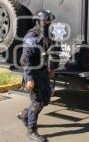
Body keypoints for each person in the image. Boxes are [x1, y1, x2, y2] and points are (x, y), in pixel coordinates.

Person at [17, 10, 60, 142]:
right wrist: (29, 78)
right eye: (46, 20)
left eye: (49, 20)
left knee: (45, 100)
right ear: (39, 21)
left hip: (43, 72)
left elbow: (50, 53)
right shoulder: (32, 36)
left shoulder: (47, 35)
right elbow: (25, 59)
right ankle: (32, 131)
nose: (48, 22)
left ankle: (25, 115)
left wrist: (51, 69)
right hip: (33, 73)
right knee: (37, 103)